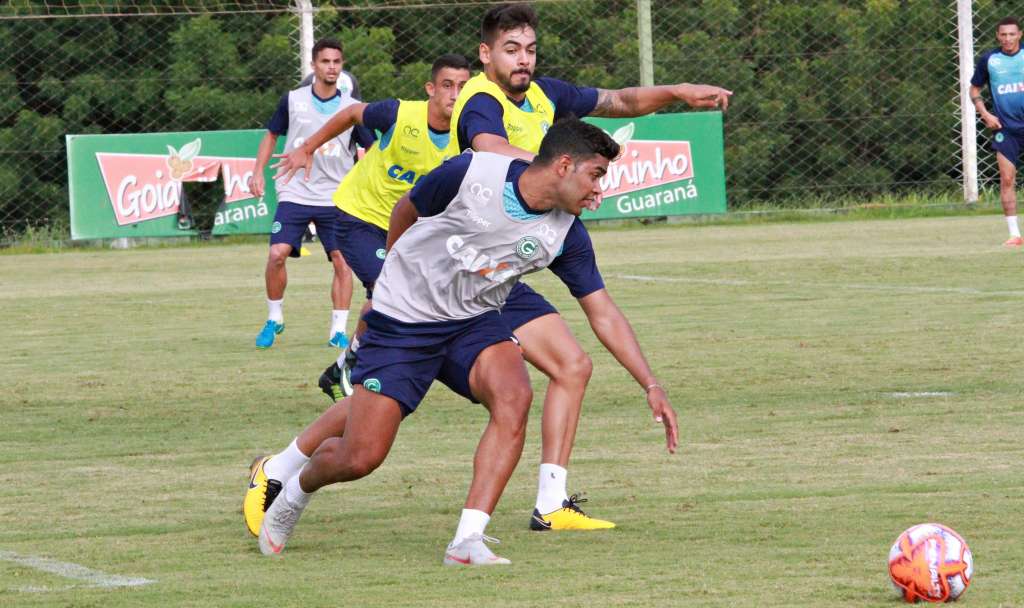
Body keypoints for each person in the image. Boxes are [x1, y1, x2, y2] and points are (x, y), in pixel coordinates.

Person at [251, 118, 678, 565]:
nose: (598, 191)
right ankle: (295, 492)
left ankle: (467, 540)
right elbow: (405, 211)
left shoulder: (566, 233)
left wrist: (650, 383)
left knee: (514, 395)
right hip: (402, 322)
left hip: (472, 321)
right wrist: (389, 282)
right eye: (595, 175)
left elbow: (603, 311)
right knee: (360, 458)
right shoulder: (471, 174)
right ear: (563, 165)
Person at [440, 2, 727, 530]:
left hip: (500, 276)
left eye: (528, 48)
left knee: (573, 366)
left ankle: (551, 503)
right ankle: (285, 468)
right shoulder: (480, 101)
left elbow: (619, 100)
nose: (522, 59)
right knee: (370, 433)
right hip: (447, 277)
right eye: (510, 50)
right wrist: (558, 174)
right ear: (486, 55)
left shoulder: (546, 95)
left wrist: (678, 92)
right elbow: (489, 147)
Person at [264, 54, 471, 398]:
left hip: (408, 228)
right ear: (431, 89)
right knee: (389, 288)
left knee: (388, 297)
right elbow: (350, 113)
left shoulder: (467, 134)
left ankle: (346, 363)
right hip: (359, 216)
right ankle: (359, 366)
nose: (455, 94)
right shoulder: (400, 113)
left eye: (464, 87)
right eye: (448, 85)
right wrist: (307, 147)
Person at [250, 38, 372, 349]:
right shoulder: (293, 100)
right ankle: (274, 317)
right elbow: (271, 135)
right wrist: (256, 172)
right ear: (314, 66)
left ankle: (337, 331)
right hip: (296, 190)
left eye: (337, 62)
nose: (332, 67)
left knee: (342, 261)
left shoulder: (351, 109)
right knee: (277, 254)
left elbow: (370, 149)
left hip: (336, 195)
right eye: (326, 61)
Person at [970, 16, 1024, 247]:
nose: (1007, 38)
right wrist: (985, 113)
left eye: (1012, 34)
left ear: (1020, 34)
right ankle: (1015, 235)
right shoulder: (989, 60)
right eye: (1003, 34)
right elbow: (974, 89)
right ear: (997, 36)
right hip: (1006, 129)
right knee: (1007, 178)